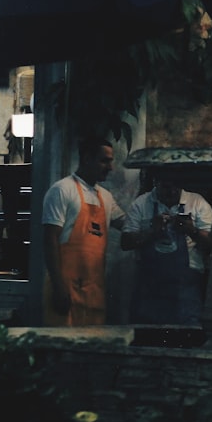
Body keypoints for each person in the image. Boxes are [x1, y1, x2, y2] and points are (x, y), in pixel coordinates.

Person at [42, 138, 126, 326]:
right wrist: (58, 287)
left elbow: (127, 225)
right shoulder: (62, 190)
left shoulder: (106, 197)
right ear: (87, 159)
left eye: (110, 161)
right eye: (104, 161)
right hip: (65, 290)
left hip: (94, 291)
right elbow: (50, 240)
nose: (110, 167)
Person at [121, 177, 212, 326]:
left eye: (175, 187)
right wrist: (152, 231)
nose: (171, 192)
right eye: (166, 187)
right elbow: (125, 242)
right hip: (150, 290)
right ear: (156, 182)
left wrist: (192, 230)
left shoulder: (197, 203)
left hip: (186, 290)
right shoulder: (141, 203)